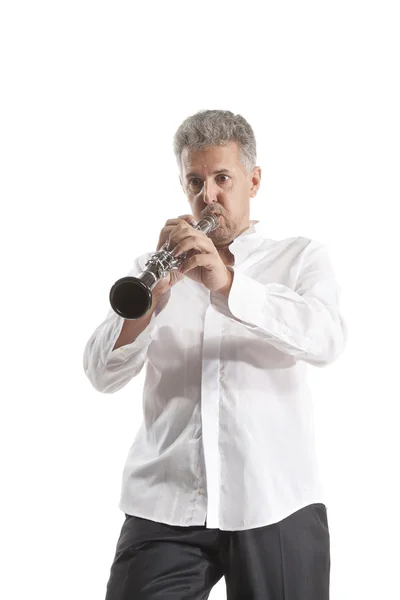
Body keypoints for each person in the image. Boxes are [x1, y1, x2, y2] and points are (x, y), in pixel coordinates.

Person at [83, 109, 348, 599]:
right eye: (195, 181)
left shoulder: (300, 257)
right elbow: (101, 373)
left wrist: (228, 286)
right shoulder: (154, 268)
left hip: (275, 501)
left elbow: (327, 338)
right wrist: (153, 301)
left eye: (222, 178)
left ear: (254, 180)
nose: (208, 195)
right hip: (166, 505)